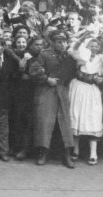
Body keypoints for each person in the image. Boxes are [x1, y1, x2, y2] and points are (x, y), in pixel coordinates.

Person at [29, 29, 77, 168]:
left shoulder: (70, 56)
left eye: (64, 42)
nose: (62, 44)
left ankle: (67, 154)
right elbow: (33, 70)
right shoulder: (44, 54)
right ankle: (42, 153)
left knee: (65, 123)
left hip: (63, 91)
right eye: (59, 42)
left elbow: (77, 72)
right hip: (47, 91)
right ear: (53, 42)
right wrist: (46, 79)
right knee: (45, 121)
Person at [68, 36, 103, 165]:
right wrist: (84, 34)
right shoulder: (82, 56)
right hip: (78, 88)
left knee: (92, 118)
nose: (94, 47)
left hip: (92, 90)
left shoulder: (101, 58)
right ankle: (75, 150)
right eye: (91, 45)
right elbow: (74, 48)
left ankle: (93, 153)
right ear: (87, 46)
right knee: (76, 117)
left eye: (96, 45)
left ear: (99, 47)